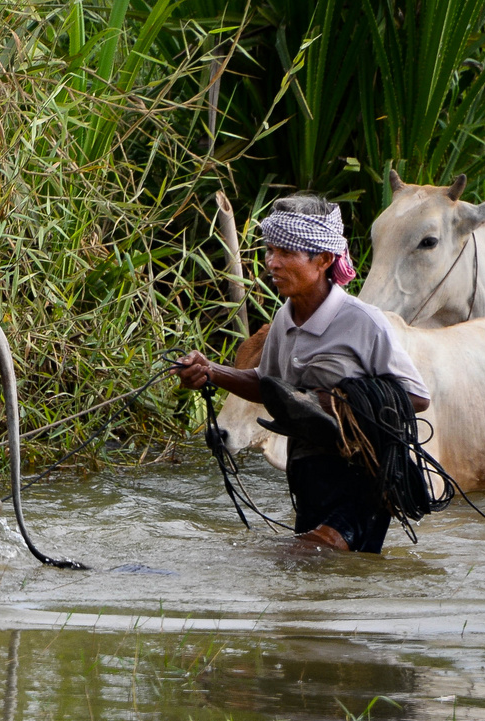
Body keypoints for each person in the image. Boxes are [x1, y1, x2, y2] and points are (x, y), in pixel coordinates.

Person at [176, 194, 431, 553]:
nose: (272, 264)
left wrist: (341, 400)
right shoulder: (285, 317)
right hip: (308, 474)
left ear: (324, 260)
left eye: (285, 253)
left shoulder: (363, 321)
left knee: (302, 556)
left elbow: (418, 397)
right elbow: (270, 386)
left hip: (362, 478)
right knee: (318, 586)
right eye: (270, 251)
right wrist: (211, 372)